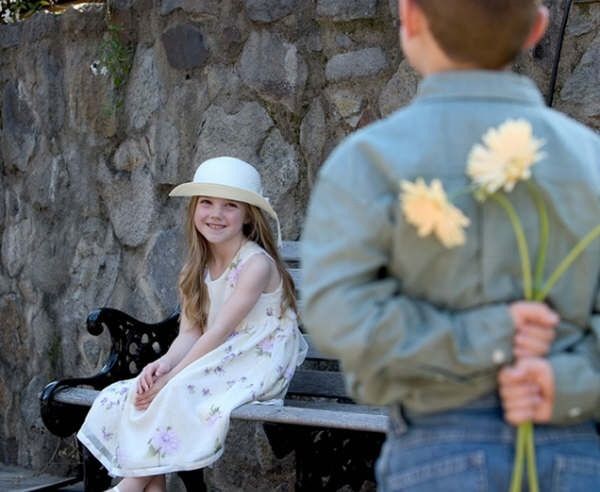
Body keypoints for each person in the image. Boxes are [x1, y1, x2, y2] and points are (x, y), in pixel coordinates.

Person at [301, 0, 600, 490]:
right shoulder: (590, 160)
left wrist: (486, 337)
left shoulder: (370, 160)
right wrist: (570, 383)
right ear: (538, 28)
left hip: (438, 448)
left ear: (411, 17)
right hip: (577, 446)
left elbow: (337, 311)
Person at [78, 156, 308, 492]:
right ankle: (150, 487)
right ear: (194, 209)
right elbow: (191, 332)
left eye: (230, 205)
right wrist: (163, 364)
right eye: (206, 203)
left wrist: (171, 378)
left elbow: (219, 332)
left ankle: (129, 486)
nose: (216, 214)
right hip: (218, 355)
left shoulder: (256, 264)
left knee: (173, 391)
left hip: (256, 360)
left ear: (248, 215)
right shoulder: (196, 267)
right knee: (127, 393)